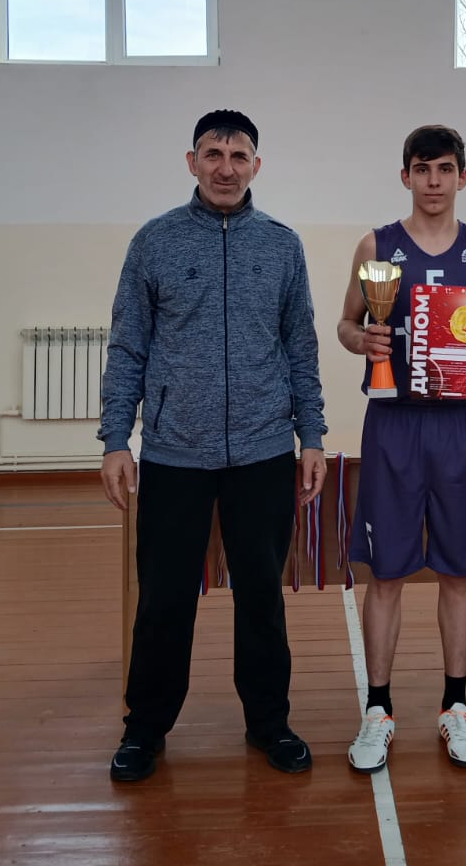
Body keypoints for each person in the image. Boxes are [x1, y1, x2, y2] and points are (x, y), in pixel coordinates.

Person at [98, 109, 328, 783]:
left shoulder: (282, 246)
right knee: (164, 599)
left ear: (257, 165)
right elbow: (128, 345)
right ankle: (145, 729)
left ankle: (269, 722)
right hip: (174, 452)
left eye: (238, 156)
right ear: (192, 161)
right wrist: (116, 439)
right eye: (213, 154)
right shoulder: (155, 242)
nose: (226, 168)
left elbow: (301, 346)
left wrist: (311, 435)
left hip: (263, 451)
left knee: (262, 597)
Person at [337, 125, 466, 772]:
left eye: (444, 169)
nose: (433, 181)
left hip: (462, 423)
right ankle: (377, 710)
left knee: (458, 571)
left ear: (463, 176)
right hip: (394, 422)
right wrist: (362, 341)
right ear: (404, 175)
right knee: (386, 573)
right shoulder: (376, 245)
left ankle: (455, 706)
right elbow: (347, 323)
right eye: (421, 168)